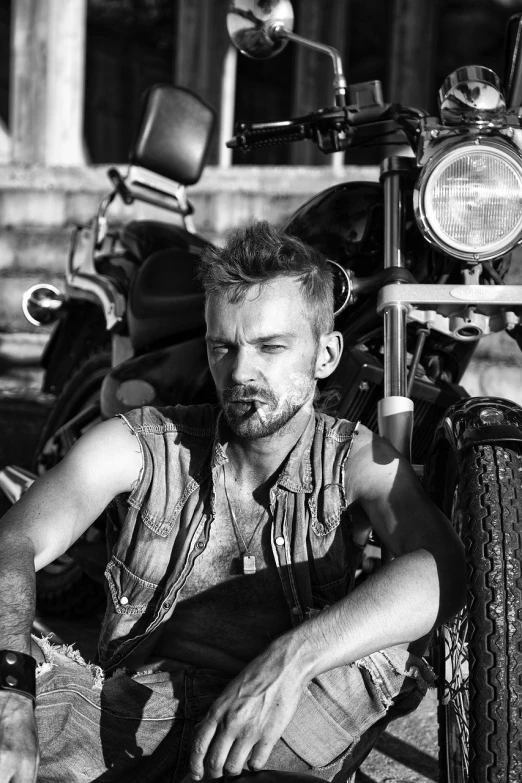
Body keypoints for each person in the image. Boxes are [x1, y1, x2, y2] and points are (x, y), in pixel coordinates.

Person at [0, 220, 465, 783]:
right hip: (128, 717)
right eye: (224, 347)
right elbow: (14, 540)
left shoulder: (355, 458)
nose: (241, 372)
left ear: (325, 355)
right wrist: (11, 697)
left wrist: (290, 660)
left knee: (383, 651)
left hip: (284, 722)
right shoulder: (147, 443)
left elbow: (444, 566)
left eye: (271, 347)